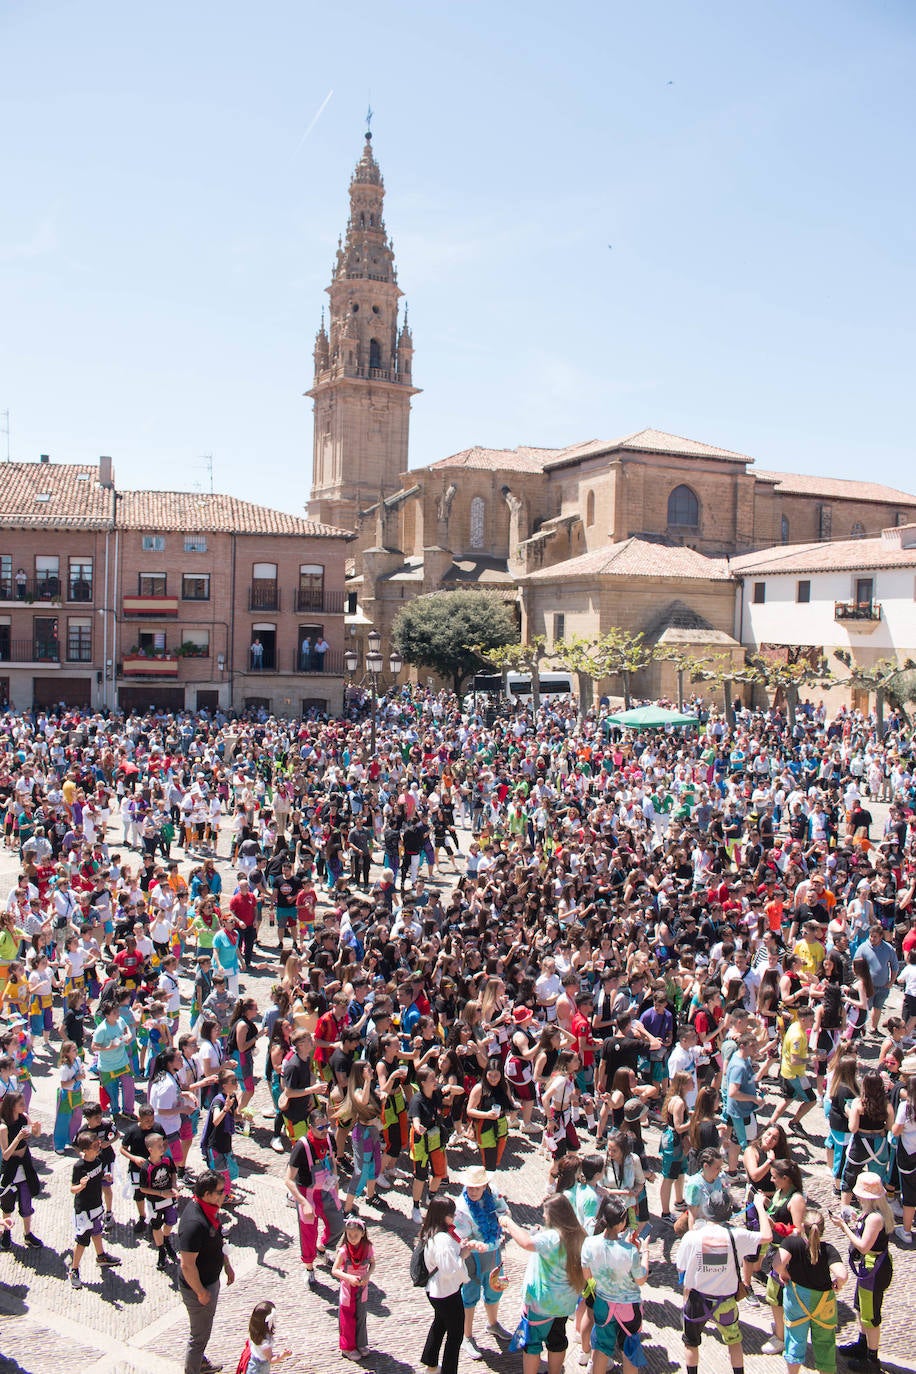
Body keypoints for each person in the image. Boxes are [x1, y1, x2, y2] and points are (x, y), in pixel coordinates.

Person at [675, 1190, 772, 1374]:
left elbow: (681, 1268)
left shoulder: (692, 1237)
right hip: (725, 1302)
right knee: (734, 1342)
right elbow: (767, 1236)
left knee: (691, 1343)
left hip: (697, 1301)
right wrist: (759, 1206)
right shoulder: (737, 1235)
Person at [500, 1193, 586, 1374]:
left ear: (554, 1215)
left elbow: (526, 1242)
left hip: (541, 1304)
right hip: (565, 1302)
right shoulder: (579, 1234)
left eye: (546, 1213)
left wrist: (508, 1223)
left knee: (532, 1344)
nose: (543, 1216)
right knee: (557, 1340)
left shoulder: (552, 1238)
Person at [580, 1196, 650, 1374]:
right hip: (628, 1306)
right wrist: (646, 1252)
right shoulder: (630, 1251)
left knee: (601, 1349)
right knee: (630, 1348)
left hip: (603, 1303)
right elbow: (641, 1279)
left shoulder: (589, 1243)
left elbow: (587, 1277)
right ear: (621, 1223)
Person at [772, 1209, 847, 1374]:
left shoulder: (791, 1243)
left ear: (802, 1226)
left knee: (795, 1339)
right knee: (825, 1343)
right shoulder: (828, 1250)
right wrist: (838, 1284)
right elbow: (842, 1274)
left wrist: (784, 1274)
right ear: (822, 1229)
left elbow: (777, 1264)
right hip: (823, 1305)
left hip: (797, 1301)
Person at [832, 1173, 895, 1372]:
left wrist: (844, 1228)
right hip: (869, 1268)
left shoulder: (875, 1218)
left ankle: (872, 1359)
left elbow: (863, 1246)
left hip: (874, 1269)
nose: (857, 1198)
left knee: (871, 1315)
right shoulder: (871, 1212)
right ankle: (862, 1344)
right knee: (861, 1307)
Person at [418, 1194, 485, 1374]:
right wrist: (462, 1255)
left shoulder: (431, 1231)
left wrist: (459, 1249)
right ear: (443, 1215)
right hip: (445, 1292)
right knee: (455, 1334)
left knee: (440, 1323)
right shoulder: (443, 1239)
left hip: (436, 1290)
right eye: (451, 1214)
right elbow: (449, 1270)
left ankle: (430, 1362)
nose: (454, 1217)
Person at [177, 1169, 236, 1374]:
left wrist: (226, 1264)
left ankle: (200, 1362)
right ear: (207, 1194)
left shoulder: (209, 1210)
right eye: (221, 1191)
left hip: (209, 1280)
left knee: (202, 1332)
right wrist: (201, 1292)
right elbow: (187, 1265)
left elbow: (218, 1239)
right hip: (198, 1288)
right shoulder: (194, 1224)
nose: (225, 1194)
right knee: (199, 1337)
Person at [453, 1164, 511, 1359]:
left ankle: (493, 1324)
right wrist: (474, 1244)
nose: (473, 1191)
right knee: (469, 1296)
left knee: (495, 1288)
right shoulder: (461, 1208)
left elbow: (505, 1212)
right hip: (473, 1258)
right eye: (470, 1187)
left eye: (477, 1187)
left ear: (486, 1185)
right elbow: (462, 1239)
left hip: (494, 1253)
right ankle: (467, 1336)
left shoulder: (494, 1194)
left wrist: (504, 1220)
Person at [285, 1104, 345, 1287]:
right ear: (310, 1127)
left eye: (327, 1126)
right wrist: (303, 1203)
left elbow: (333, 1160)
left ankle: (322, 1248)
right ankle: (309, 1268)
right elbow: (288, 1180)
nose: (324, 1130)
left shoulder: (329, 1139)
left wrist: (335, 1180)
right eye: (320, 1127)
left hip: (326, 1190)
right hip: (307, 1194)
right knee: (308, 1233)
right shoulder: (301, 1147)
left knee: (338, 1225)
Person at [68, 1129, 121, 1288]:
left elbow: (98, 1175)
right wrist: (81, 1185)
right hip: (83, 1209)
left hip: (96, 1205)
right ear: (85, 1150)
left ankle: (101, 1256)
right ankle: (74, 1269)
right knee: (82, 1241)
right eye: (95, 1146)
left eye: (98, 1145)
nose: (99, 1148)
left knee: (97, 1232)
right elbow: (72, 1189)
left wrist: (105, 1177)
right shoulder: (79, 1167)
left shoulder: (98, 1161)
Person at [0, 1089, 43, 1250]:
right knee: (7, 1205)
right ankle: (6, 1233)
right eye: (21, 1104)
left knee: (26, 1203)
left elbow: (34, 1134)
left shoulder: (24, 1118)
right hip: (10, 1169)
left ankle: (27, 1234)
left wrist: (37, 1129)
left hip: (25, 1166)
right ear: (12, 1106)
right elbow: (5, 1155)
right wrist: (18, 1137)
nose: (24, 1106)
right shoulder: (3, 1127)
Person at [331, 1214, 376, 1361]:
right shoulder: (343, 1251)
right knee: (347, 1318)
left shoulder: (368, 1248)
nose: (352, 1238)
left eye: (356, 1235)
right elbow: (335, 1270)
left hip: (362, 1289)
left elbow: (372, 1263)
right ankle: (347, 1347)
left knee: (361, 1316)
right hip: (347, 1290)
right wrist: (349, 1277)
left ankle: (361, 1343)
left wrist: (367, 1276)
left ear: (362, 1234)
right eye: (349, 1235)